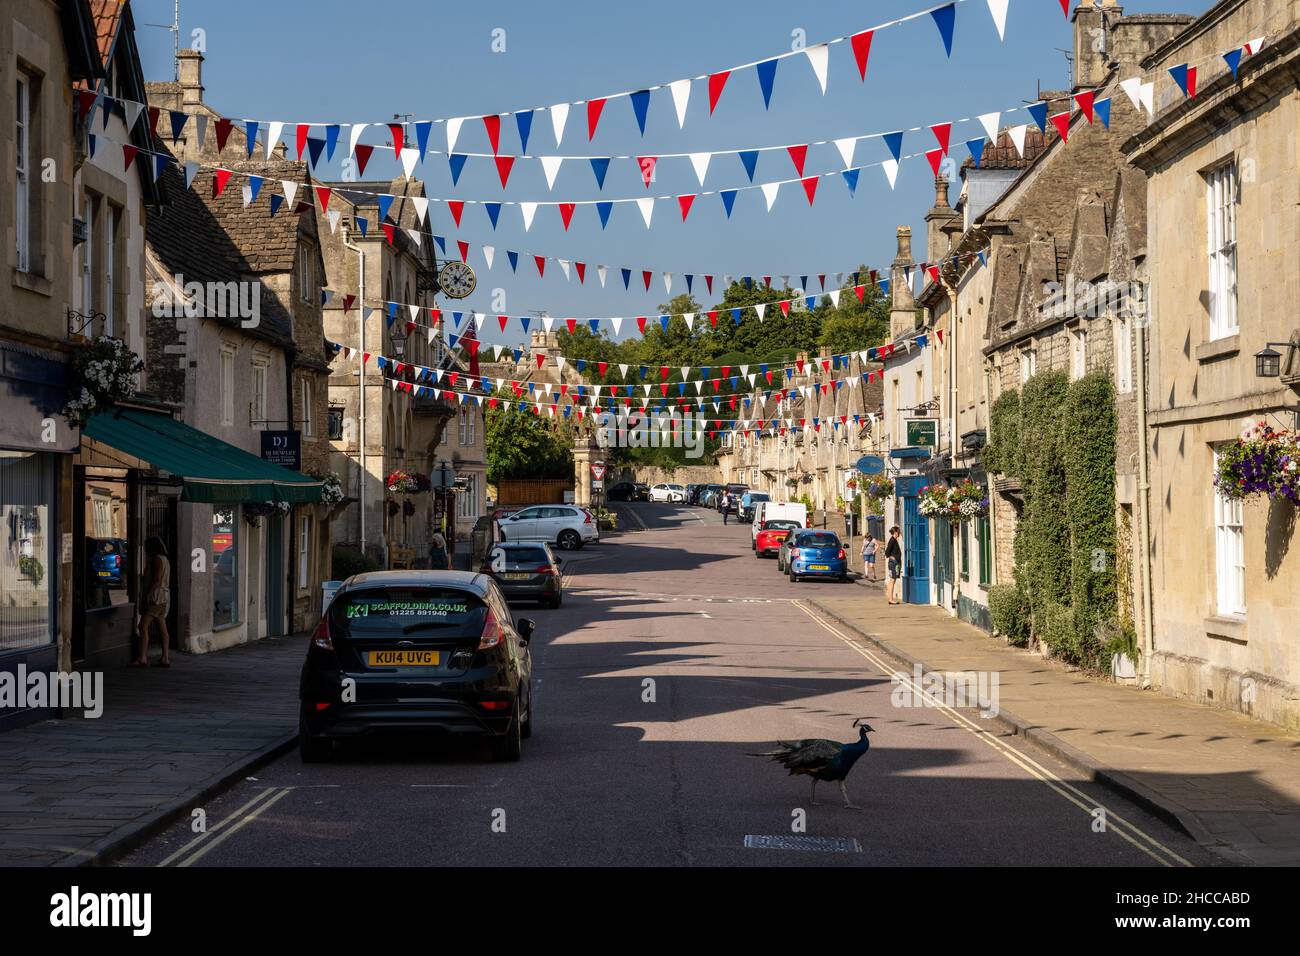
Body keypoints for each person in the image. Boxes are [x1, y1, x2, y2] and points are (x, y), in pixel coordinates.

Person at [131, 536, 171, 668]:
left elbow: (157, 579)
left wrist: (147, 595)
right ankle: (165, 657)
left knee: (142, 626)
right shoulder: (165, 560)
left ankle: (142, 657)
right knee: (162, 627)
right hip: (163, 597)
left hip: (155, 597)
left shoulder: (157, 560)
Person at [884, 526, 903, 605]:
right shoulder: (892, 541)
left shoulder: (894, 540)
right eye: (898, 531)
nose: (899, 533)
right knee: (892, 580)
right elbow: (887, 553)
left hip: (895, 563)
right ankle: (890, 599)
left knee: (893, 580)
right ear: (895, 532)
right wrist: (893, 558)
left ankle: (890, 598)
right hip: (893, 563)